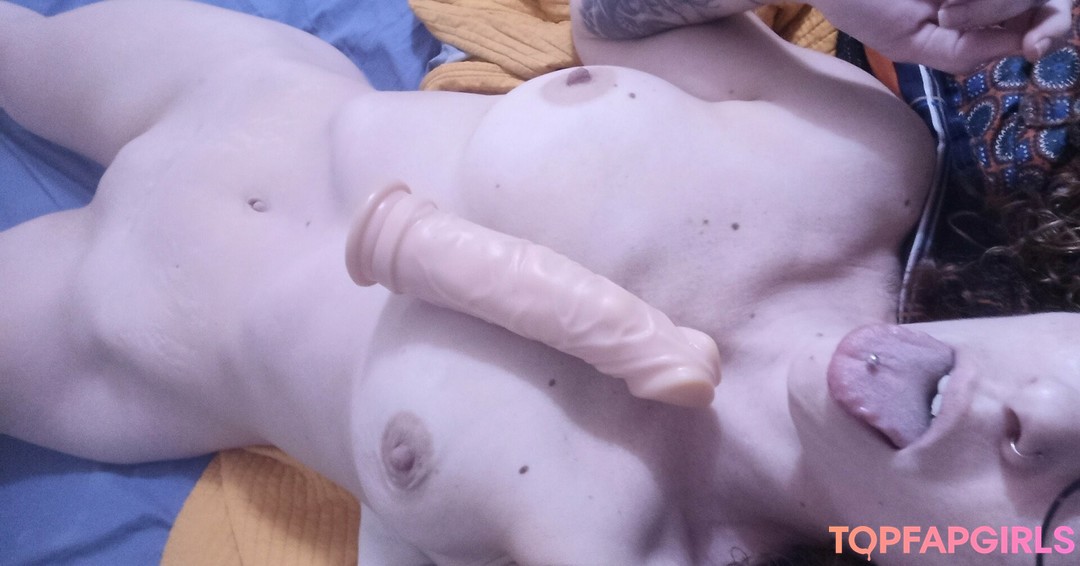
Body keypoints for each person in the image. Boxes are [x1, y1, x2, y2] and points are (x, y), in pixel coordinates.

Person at [0, 0, 1076, 564]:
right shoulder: (866, 168)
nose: (1053, 410)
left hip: (118, 337)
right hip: (246, 88)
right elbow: (611, 25)